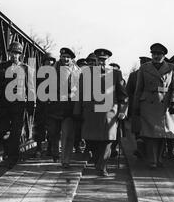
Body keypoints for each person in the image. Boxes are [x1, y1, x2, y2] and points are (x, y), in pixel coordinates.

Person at [75, 48, 128, 176]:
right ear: (96, 60)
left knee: (108, 140)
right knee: (93, 140)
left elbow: (123, 96)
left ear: (108, 60)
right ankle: (97, 161)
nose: (102, 62)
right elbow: (80, 94)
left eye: (104, 60)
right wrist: (77, 111)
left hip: (109, 114)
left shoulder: (116, 74)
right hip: (91, 113)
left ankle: (101, 167)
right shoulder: (86, 74)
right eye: (99, 60)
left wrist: (122, 111)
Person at [0, 41, 36, 169]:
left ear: (20, 54)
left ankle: (12, 157)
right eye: (12, 52)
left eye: (17, 53)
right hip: (4, 104)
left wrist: (31, 106)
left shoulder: (26, 69)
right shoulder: (1, 67)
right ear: (9, 53)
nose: (14, 55)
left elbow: (30, 88)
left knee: (16, 132)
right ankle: (10, 152)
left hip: (19, 106)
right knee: (0, 130)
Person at [133, 43, 174, 169]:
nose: (156, 56)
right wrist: (136, 105)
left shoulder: (171, 67)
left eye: (159, 54)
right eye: (154, 54)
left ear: (164, 56)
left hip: (165, 105)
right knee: (150, 135)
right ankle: (152, 160)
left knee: (163, 135)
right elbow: (139, 88)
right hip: (148, 103)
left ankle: (159, 158)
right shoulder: (144, 68)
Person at [46, 47, 80, 168]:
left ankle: (65, 160)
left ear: (71, 59)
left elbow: (80, 89)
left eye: (68, 57)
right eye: (63, 57)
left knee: (67, 135)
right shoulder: (52, 70)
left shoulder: (77, 71)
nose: (65, 59)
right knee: (53, 133)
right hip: (54, 108)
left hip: (69, 109)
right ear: (60, 57)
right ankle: (55, 154)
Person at [126, 56, 151, 159]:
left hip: (136, 105)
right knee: (143, 128)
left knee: (138, 129)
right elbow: (128, 92)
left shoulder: (133, 75)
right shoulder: (138, 75)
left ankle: (142, 149)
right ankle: (142, 150)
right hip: (144, 106)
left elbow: (128, 92)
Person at [34, 52, 56, 157]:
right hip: (41, 104)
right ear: (43, 62)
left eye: (52, 61)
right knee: (39, 127)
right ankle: (38, 148)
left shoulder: (57, 74)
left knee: (52, 128)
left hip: (52, 105)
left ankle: (50, 148)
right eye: (48, 61)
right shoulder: (38, 73)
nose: (50, 63)